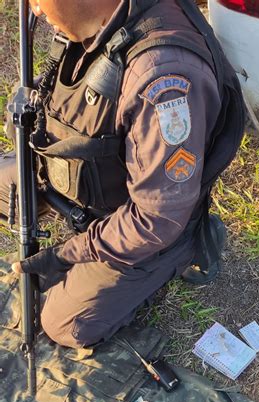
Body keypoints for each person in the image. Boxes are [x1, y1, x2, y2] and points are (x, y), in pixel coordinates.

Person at [1, 0, 244, 348]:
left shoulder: (164, 79)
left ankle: (179, 255)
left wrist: (71, 252)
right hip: (80, 174)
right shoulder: (101, 16)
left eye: (38, 0)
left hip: (140, 222)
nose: (35, 11)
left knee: (63, 324)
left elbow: (156, 218)